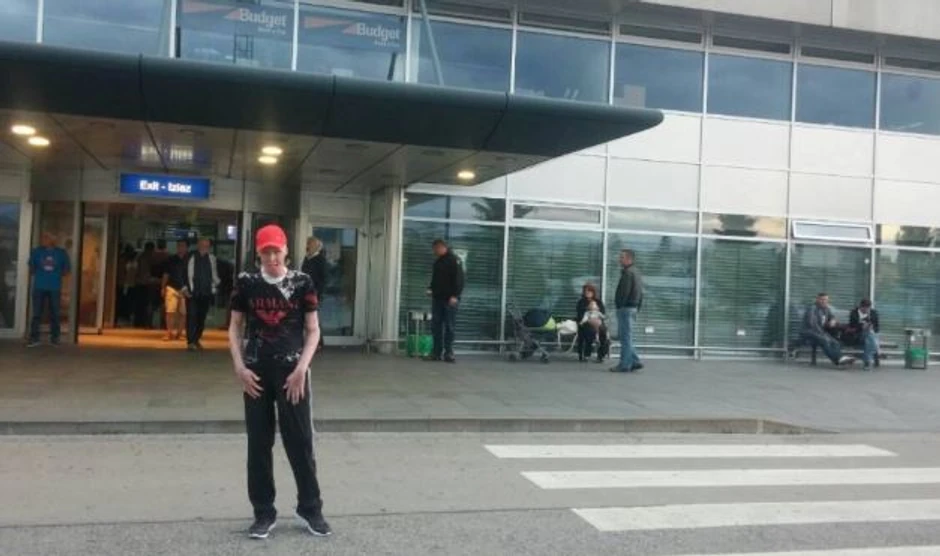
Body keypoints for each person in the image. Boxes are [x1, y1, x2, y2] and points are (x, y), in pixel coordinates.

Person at [228, 224, 331, 540]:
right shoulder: (246, 283)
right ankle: (263, 512)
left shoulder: (302, 283)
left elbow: (313, 330)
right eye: (266, 252)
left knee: (300, 442)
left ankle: (310, 508)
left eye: (276, 250)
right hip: (256, 374)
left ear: (286, 250)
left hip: (292, 374)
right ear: (258, 253)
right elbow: (234, 327)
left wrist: (302, 368)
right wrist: (239, 367)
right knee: (258, 444)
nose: (272, 257)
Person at [27, 232, 70, 347]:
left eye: (47, 237)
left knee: (55, 313)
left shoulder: (61, 253)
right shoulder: (36, 252)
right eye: (43, 237)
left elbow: (66, 270)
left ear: (53, 240)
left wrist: (55, 275)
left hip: (54, 287)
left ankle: (55, 338)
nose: (44, 239)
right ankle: (34, 338)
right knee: (36, 313)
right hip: (39, 287)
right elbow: (31, 268)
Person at [426, 239, 464, 363]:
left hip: (449, 300)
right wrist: (430, 288)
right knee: (436, 326)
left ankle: (449, 352)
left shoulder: (454, 260)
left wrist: (455, 295)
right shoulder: (438, 262)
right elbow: (435, 279)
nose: (434, 252)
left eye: (435, 249)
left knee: (449, 326)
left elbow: (459, 279)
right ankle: (436, 352)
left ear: (441, 247)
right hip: (437, 298)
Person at [184, 237, 220, 351]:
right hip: (192, 292)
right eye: (203, 245)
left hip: (206, 292)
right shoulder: (190, 257)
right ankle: (190, 341)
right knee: (191, 316)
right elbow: (183, 273)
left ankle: (196, 339)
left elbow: (214, 274)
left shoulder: (212, 258)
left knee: (201, 318)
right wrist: (184, 288)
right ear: (198, 245)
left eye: (207, 246)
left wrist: (216, 284)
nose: (205, 248)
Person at [801, 293, 854, 366]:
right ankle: (838, 359)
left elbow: (832, 317)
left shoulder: (826, 309)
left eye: (825, 300)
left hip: (820, 332)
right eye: (822, 299)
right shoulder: (812, 309)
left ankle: (840, 359)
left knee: (835, 342)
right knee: (825, 340)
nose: (824, 301)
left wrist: (832, 320)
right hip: (809, 332)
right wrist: (823, 334)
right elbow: (812, 324)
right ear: (817, 300)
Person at [612, 249, 643, 373]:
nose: (619, 260)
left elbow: (624, 292)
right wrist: (637, 307)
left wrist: (620, 305)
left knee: (625, 337)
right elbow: (640, 292)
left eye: (622, 257)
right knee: (627, 336)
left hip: (626, 308)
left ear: (629, 259)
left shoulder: (628, 273)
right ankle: (634, 361)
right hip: (633, 307)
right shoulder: (636, 272)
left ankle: (624, 365)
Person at [301, 237, 327, 352]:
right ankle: (308, 342)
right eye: (307, 244)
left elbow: (324, 279)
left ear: (316, 246)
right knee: (306, 319)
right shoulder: (307, 258)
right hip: (305, 293)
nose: (307, 246)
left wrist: (318, 293)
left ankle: (318, 343)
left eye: (309, 244)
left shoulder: (320, 259)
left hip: (315, 294)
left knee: (314, 318)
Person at [161, 240, 189, 341]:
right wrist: (163, 287)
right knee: (170, 311)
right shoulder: (171, 259)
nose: (181, 248)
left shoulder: (189, 260)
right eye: (179, 246)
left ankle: (180, 333)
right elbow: (166, 274)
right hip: (171, 287)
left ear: (186, 248)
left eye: (183, 246)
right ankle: (169, 333)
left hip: (185, 289)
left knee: (183, 313)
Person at [575, 283, 609, 363]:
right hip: (586, 322)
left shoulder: (598, 302)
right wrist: (589, 320)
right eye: (585, 291)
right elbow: (580, 315)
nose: (587, 293)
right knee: (590, 331)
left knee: (603, 331)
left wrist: (598, 320)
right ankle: (587, 354)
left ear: (593, 292)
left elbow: (602, 313)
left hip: (598, 322)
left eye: (589, 291)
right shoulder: (581, 302)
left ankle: (601, 355)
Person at [848, 298, 880, 370]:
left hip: (872, 335)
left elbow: (877, 327)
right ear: (860, 306)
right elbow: (852, 326)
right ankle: (875, 352)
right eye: (864, 309)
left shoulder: (873, 313)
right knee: (871, 338)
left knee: (869, 337)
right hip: (859, 335)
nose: (866, 310)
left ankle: (867, 362)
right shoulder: (854, 313)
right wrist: (861, 327)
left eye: (868, 308)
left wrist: (872, 327)